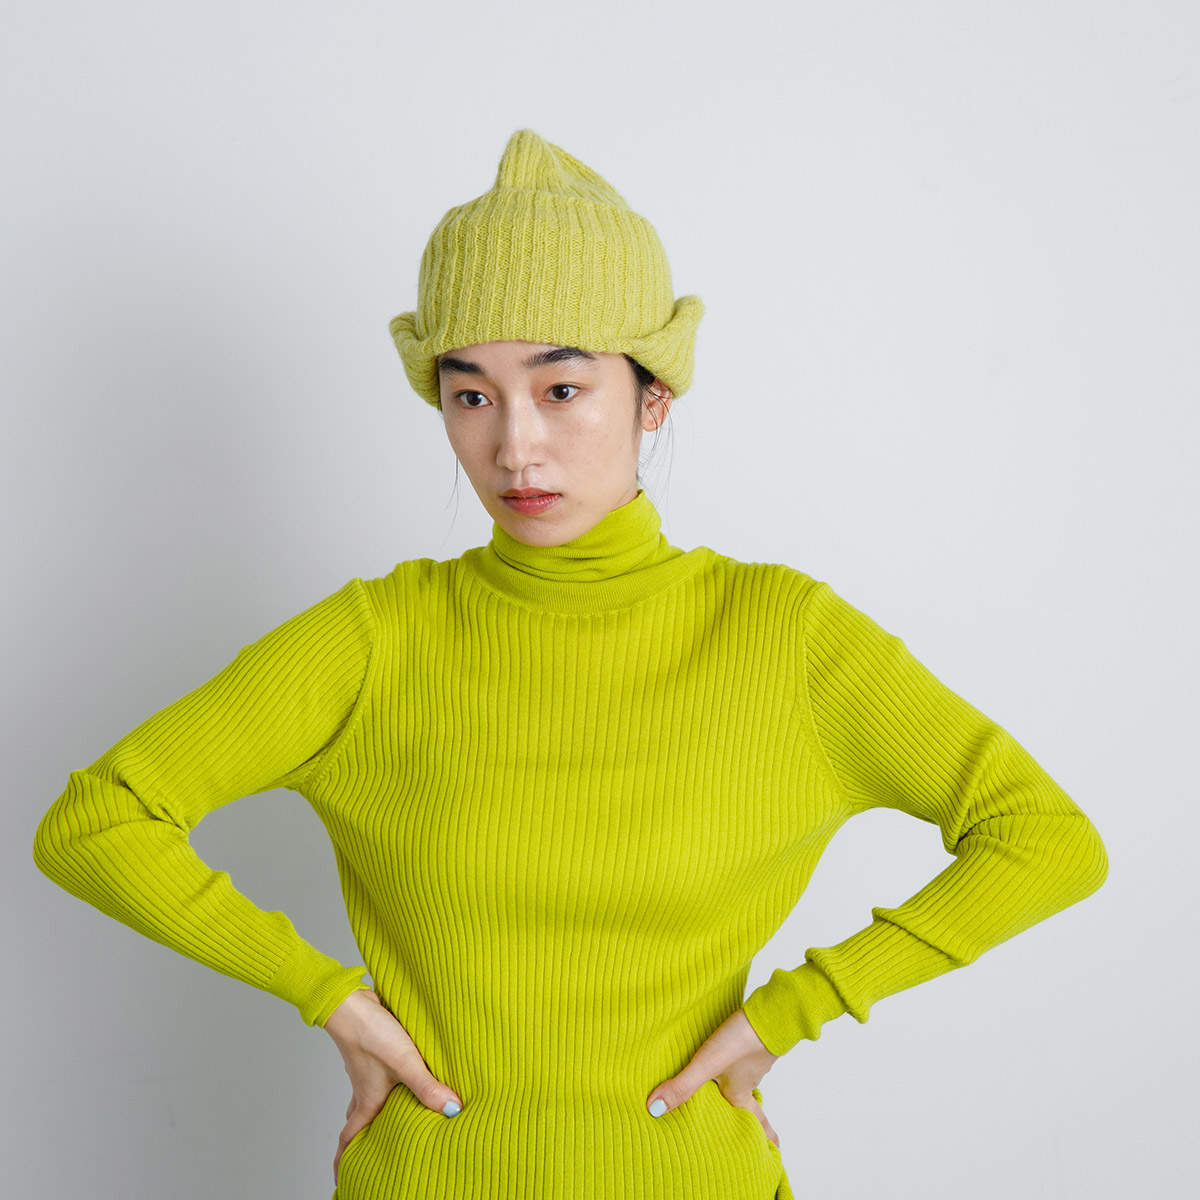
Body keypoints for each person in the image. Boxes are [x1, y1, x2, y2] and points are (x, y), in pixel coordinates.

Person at [32, 128, 1109, 1200]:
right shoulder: (375, 638)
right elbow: (96, 822)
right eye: (470, 395)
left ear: (654, 395)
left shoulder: (785, 637)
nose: (514, 447)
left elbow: (1043, 839)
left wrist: (797, 1010)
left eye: (561, 389)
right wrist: (331, 1000)